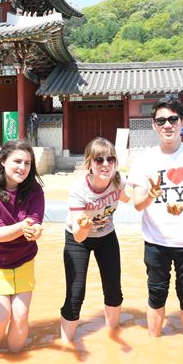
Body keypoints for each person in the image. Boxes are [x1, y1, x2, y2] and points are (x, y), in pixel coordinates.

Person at [127, 97, 183, 342]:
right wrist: (151, 195)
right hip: (155, 240)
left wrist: (182, 205)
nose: (167, 125)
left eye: (173, 119)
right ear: (154, 125)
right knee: (156, 292)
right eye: (161, 120)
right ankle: (155, 344)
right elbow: (137, 203)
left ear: (182, 122)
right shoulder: (144, 159)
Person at [0, 139, 45, 353]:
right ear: (3, 161)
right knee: (1, 319)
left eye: (28, 163)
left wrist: (36, 230)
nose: (22, 168)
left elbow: (34, 221)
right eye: (17, 161)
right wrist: (24, 227)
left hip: (23, 259)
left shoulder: (34, 190)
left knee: (21, 317)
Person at [60, 137, 130, 343]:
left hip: (106, 236)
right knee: (76, 294)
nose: (106, 164)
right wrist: (83, 225)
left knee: (114, 289)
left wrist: (138, 196)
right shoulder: (78, 191)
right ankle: (66, 345)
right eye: (99, 160)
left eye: (111, 159)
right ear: (89, 164)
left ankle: (112, 336)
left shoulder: (119, 180)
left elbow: (127, 197)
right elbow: (78, 236)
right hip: (78, 239)